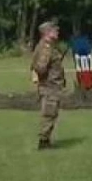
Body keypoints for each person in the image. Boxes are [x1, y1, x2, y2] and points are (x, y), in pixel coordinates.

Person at [31, 21, 65, 150]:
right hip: (49, 86)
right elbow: (40, 67)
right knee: (49, 113)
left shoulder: (50, 46)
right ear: (47, 33)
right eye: (54, 30)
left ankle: (46, 139)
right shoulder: (46, 48)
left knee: (52, 113)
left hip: (52, 86)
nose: (57, 32)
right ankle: (44, 141)